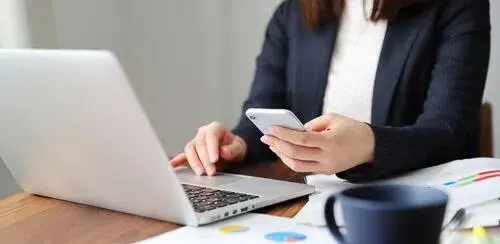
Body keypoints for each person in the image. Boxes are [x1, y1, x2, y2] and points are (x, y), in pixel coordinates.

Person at [171, 0, 491, 182]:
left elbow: (447, 133)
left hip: (413, 212)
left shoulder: (459, 6)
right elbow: (265, 109)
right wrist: (236, 144)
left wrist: (368, 145)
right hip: (311, 204)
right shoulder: (293, 13)